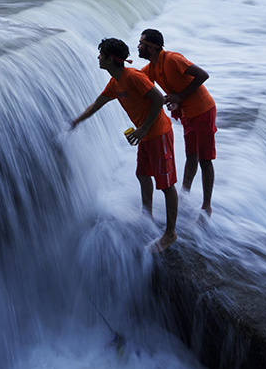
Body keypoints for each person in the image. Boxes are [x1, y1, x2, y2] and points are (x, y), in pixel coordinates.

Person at [71, 38, 179, 251]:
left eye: (101, 55)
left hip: (158, 133)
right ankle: (146, 215)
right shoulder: (115, 82)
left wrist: (144, 129)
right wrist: (77, 121)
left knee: (166, 185)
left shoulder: (133, 77)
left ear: (110, 59)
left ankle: (170, 233)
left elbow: (158, 99)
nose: (98, 58)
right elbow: (98, 103)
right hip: (145, 135)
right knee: (142, 174)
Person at [137, 29, 216, 217]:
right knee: (191, 156)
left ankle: (207, 206)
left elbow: (203, 75)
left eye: (141, 43)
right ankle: (185, 195)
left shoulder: (172, 59)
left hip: (204, 110)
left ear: (153, 46)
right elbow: (137, 81)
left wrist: (180, 96)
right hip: (188, 114)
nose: (138, 46)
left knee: (205, 159)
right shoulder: (152, 68)